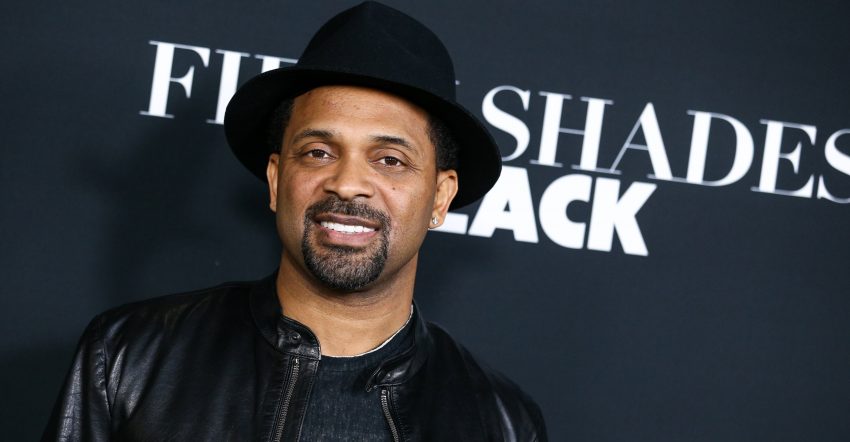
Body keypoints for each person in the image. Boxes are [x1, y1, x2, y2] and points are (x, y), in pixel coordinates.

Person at [42, 2, 547, 441]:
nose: (347, 184)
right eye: (318, 152)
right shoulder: (128, 357)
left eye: (390, 160)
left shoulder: (501, 423)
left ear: (440, 197)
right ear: (277, 178)